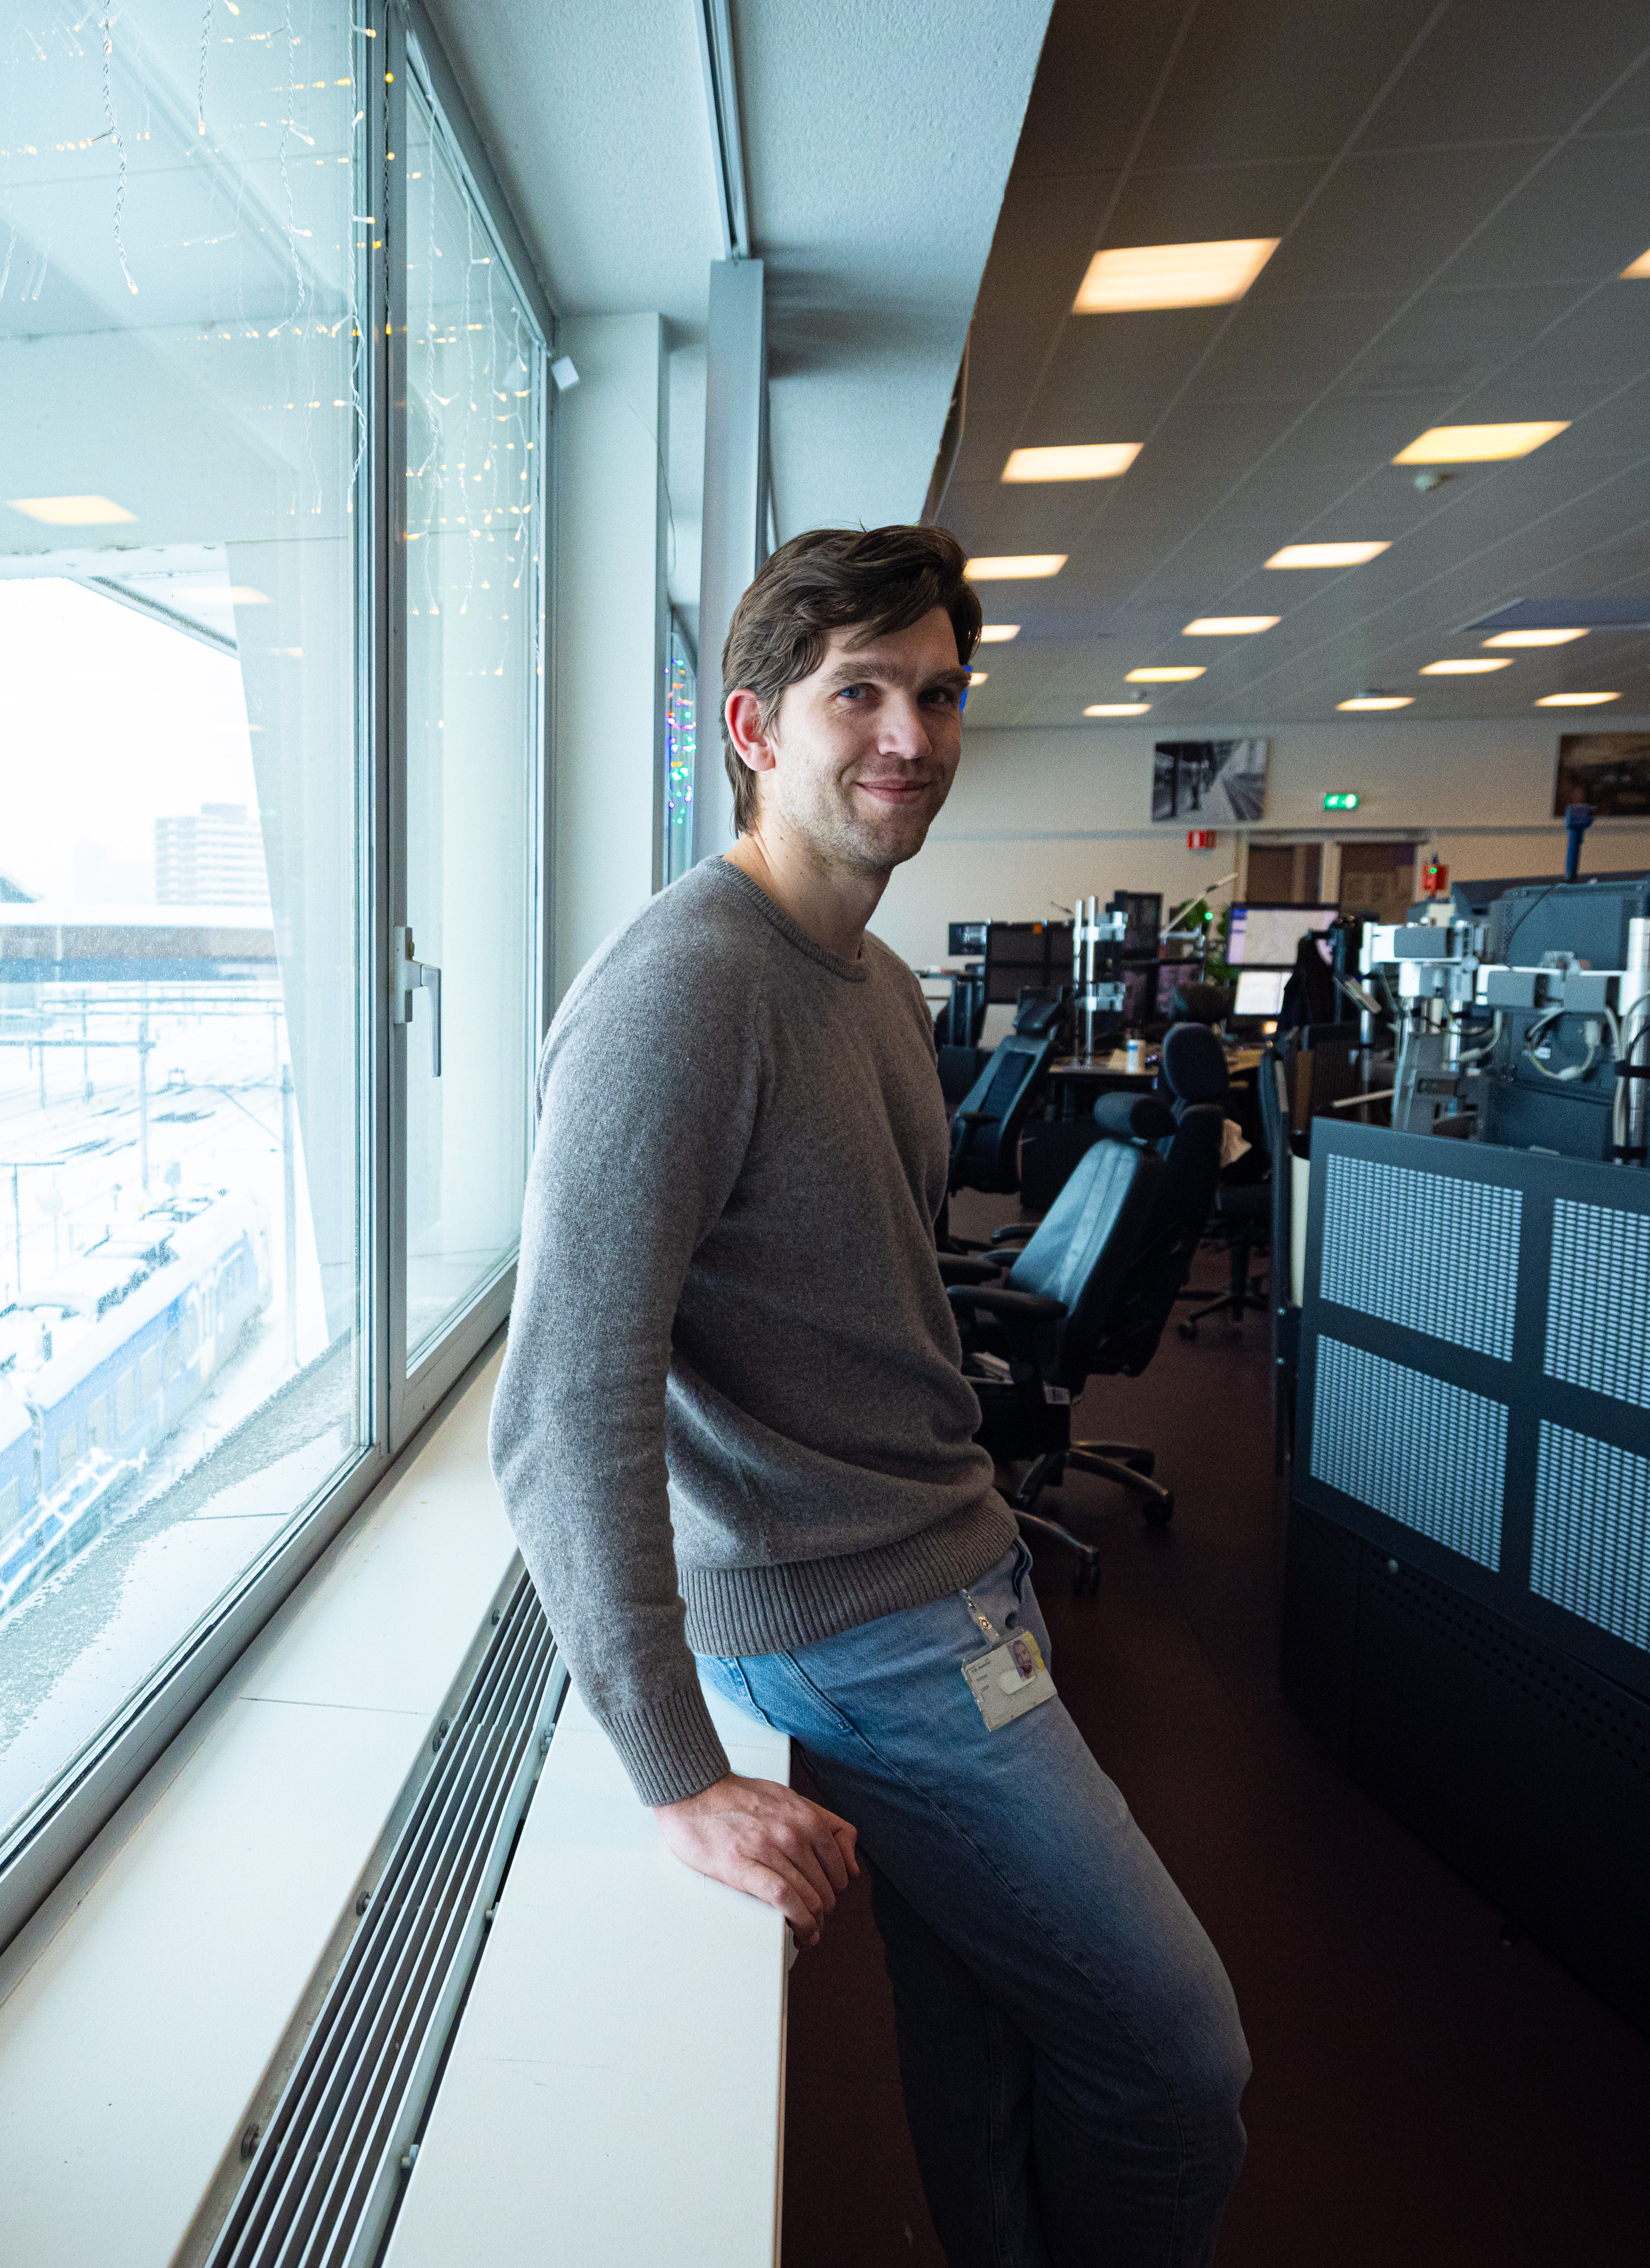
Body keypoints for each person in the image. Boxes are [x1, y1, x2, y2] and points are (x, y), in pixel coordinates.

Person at [491, 525, 1249, 2267]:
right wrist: (675, 1765)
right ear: (755, 728)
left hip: (951, 1572)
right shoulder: (680, 996)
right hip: (861, 1629)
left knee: (988, 2028)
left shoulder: (882, 988)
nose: (909, 732)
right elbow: (560, 1409)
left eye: (938, 691)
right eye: (862, 694)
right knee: (1177, 2052)